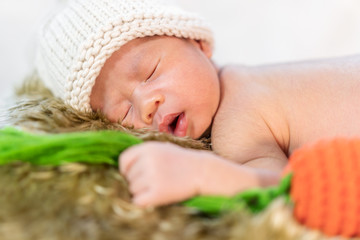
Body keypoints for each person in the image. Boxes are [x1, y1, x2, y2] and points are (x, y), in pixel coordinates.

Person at [35, 0, 360, 207]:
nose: (147, 103)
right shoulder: (256, 85)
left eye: (150, 72)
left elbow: (278, 192)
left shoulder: (239, 112)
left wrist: (202, 175)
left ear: (198, 44)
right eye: (124, 111)